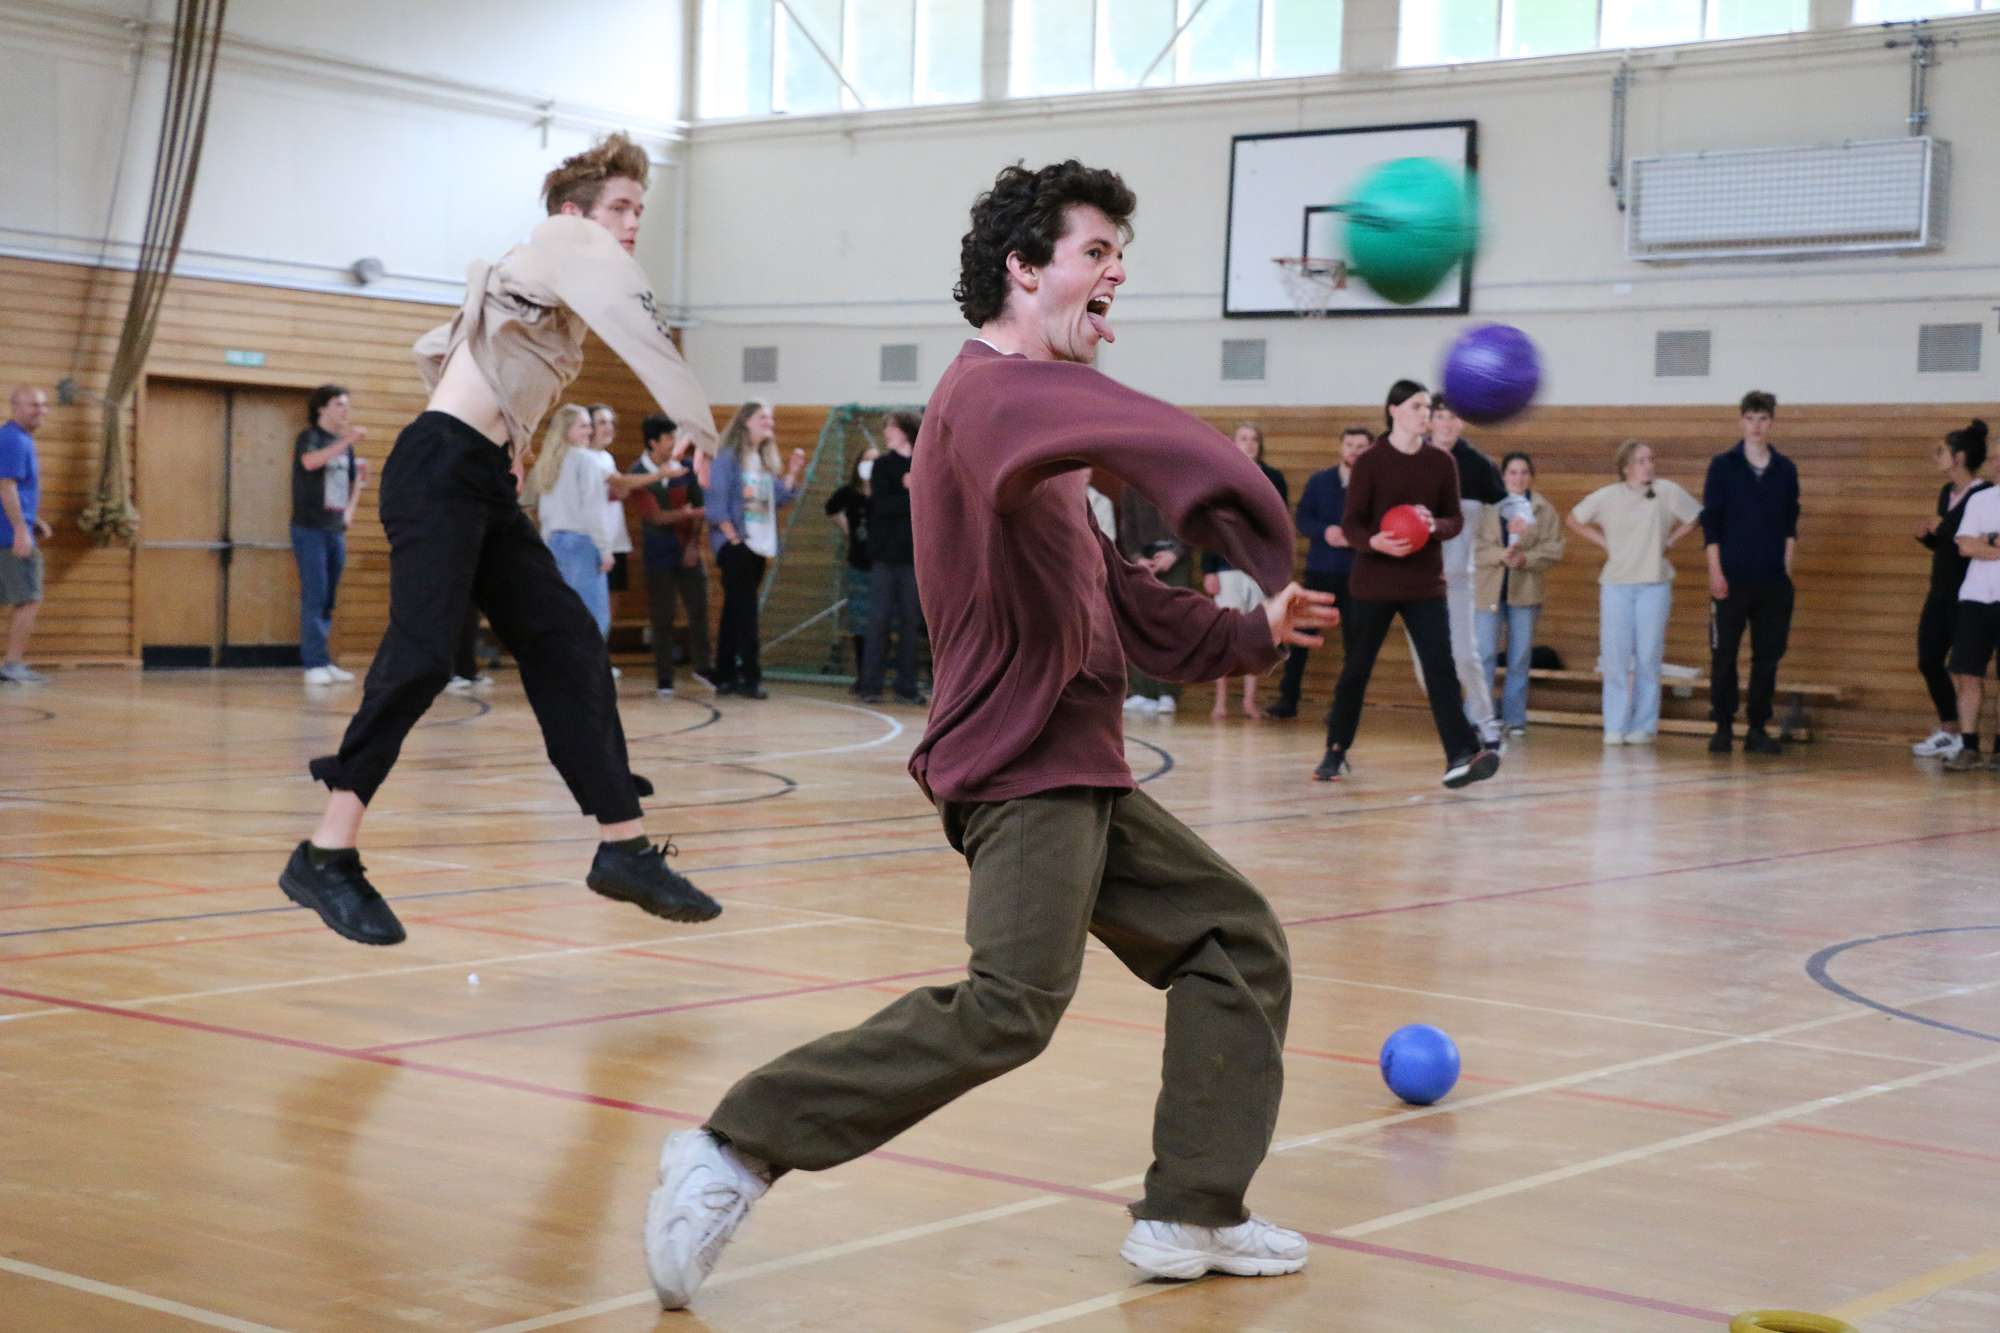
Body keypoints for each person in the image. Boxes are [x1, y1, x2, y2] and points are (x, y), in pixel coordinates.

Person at [641, 159, 1337, 1312]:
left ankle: (1191, 1206)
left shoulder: (1043, 438)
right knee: (1011, 1003)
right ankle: (730, 1146)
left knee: (1232, 941)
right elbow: (1135, 432)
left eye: (1120, 254)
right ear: (1021, 268)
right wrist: (1247, 511)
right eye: (1094, 252)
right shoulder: (989, 399)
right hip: (1020, 765)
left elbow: (1124, 599)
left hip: (1080, 764)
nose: (1116, 273)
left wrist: (1249, 629)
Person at [279, 132, 723, 948]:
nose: (632, 224)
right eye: (621, 207)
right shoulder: (563, 240)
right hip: (439, 468)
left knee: (570, 644)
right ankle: (325, 853)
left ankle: (622, 848)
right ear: (575, 213)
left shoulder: (545, 287)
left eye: (640, 211)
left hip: (475, 475)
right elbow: (639, 324)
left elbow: (456, 356)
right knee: (421, 655)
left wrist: (508, 446)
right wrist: (695, 414)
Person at [1314, 381, 1500, 789]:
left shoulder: (1441, 463)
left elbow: (1454, 520)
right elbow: (1352, 525)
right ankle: (1336, 749)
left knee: (1441, 670)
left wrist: (1434, 526)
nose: (1425, 414)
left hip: (1424, 585)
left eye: (1428, 408)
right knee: (1356, 671)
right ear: (1394, 410)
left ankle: (1460, 755)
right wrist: (1374, 542)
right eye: (1417, 406)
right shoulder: (1369, 462)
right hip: (1373, 584)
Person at [1565, 440, 1703, 745]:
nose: (1648, 466)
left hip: (1654, 584)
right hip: (1617, 584)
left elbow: (1696, 516)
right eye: (1641, 461)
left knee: (1648, 655)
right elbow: (1573, 519)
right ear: (1626, 467)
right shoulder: (1608, 496)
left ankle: (1644, 725)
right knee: (1615, 656)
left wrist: (1670, 541)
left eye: (1651, 459)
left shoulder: (1666, 491)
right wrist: (1604, 543)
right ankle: (1615, 725)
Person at [1703, 390, 1801, 755]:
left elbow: (1790, 525)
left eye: (1763, 419)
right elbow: (1711, 525)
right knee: (1724, 655)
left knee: (1767, 657)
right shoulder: (1722, 466)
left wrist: (1785, 572)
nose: (1757, 426)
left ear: (1771, 422)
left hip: (1772, 580)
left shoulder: (1785, 469)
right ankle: (1723, 725)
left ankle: (1757, 727)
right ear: (1741, 421)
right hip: (1731, 577)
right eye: (1750, 419)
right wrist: (1715, 572)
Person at [707, 400, 808, 700]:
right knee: (747, 611)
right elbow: (716, 501)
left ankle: (724, 675)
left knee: (734, 611)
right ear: (746, 421)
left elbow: (780, 497)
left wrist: (792, 471)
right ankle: (750, 677)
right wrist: (733, 539)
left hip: (760, 545)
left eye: (771, 418)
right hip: (737, 544)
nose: (769, 423)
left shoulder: (763, 461)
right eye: (763, 417)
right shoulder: (727, 457)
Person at [1269, 425, 1370, 720]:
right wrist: (1325, 531)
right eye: (1349, 444)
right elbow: (1303, 518)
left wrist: (1355, 536)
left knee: (1355, 645)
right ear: (1341, 447)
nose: (1353, 451)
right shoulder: (1319, 481)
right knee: (1300, 636)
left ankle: (1343, 708)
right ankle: (1288, 700)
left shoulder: (1374, 485)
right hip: (1320, 571)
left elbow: (1379, 525)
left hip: (1358, 575)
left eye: (1360, 446)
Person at [1426, 398, 1507, 749]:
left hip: (1458, 580)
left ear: (1461, 422)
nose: (1446, 423)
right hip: (1417, 583)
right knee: (1427, 667)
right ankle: (1458, 729)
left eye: (1453, 417)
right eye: (1440, 416)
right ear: (1429, 421)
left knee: (1465, 657)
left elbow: (1508, 502)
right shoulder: (1411, 460)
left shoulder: (1477, 465)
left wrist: (1521, 517)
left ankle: (1487, 725)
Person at [1913, 419, 1991, 761]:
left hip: (1969, 594)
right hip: (1940, 590)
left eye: (1942, 451)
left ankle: (1966, 737)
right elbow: (1948, 542)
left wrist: (1942, 527)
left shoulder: (1983, 494)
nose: (1937, 457)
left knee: (1964, 668)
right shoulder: (1947, 492)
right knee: (1928, 659)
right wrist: (1928, 537)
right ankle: (1950, 727)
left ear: (1958, 457)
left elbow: (1969, 541)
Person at [1473, 452, 1563, 737]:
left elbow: (1554, 548)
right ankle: (1478, 717)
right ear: (1502, 476)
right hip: (1488, 590)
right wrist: (1500, 555)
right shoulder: (1485, 506)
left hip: (1525, 592)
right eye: (1512, 472)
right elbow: (1472, 545)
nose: (1518, 478)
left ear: (1531, 476)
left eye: (1524, 472)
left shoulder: (1543, 509)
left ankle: (1514, 718)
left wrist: (1526, 559)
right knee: (1484, 655)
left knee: (1520, 657)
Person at [1202, 423, 1288, 719]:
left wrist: (1276, 571)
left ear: (1260, 445)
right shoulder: (1219, 476)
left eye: (1254, 439)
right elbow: (1211, 527)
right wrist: (1209, 569)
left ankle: (1250, 701)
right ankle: (1220, 702)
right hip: (1226, 567)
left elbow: (1279, 528)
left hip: (1260, 569)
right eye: (1243, 438)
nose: (1249, 444)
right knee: (1224, 635)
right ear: (1233, 442)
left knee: (1257, 635)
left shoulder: (1274, 478)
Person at [632, 412, 713, 698]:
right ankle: (664, 677)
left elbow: (699, 507)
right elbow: (654, 517)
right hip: (658, 555)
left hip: (687, 549)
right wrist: (685, 513)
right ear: (653, 442)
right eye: (669, 438)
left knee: (699, 610)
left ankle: (703, 668)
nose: (674, 442)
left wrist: (693, 544)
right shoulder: (637, 473)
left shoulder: (687, 468)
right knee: (662, 617)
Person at [291, 384, 366, 686]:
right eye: (339, 404)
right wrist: (347, 439)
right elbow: (310, 462)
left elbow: (354, 482)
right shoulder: (309, 437)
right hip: (310, 528)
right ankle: (314, 663)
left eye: (347, 404)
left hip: (336, 528)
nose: (345, 410)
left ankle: (324, 659)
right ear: (322, 408)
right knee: (316, 594)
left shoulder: (344, 445)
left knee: (329, 597)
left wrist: (350, 511)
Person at [526, 404, 621, 639]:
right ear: (566, 429)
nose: (590, 431)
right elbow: (594, 508)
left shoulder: (548, 462)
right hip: (582, 544)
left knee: (561, 613)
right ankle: (590, 662)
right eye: (583, 426)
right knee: (594, 617)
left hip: (554, 542)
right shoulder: (586, 459)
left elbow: (542, 510)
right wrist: (605, 549)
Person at [858, 410, 926, 705]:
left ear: (906, 430)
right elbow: (882, 506)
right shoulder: (883, 465)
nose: (887, 432)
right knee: (879, 620)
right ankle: (870, 685)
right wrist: (912, 491)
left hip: (914, 557)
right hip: (885, 556)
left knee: (910, 622)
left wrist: (918, 486)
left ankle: (906, 686)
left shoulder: (924, 464)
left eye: (892, 427)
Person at [1114, 482, 1187, 716]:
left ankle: (1167, 692)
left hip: (1175, 562)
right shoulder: (1131, 485)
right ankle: (1141, 691)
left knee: (1171, 626)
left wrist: (1175, 553)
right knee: (1141, 624)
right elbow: (1127, 526)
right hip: (1143, 563)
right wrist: (1137, 558)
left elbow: (1192, 524)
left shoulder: (1183, 480)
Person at [0, 386, 54, 686]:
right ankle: (13, 665)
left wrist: (33, 521)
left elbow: (15, 490)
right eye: (34, 405)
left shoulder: (15, 438)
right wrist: (21, 529)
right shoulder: (14, 440)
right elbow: (6, 486)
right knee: (29, 599)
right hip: (10, 537)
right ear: (16, 406)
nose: (41, 411)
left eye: (44, 405)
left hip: (9, 531)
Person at [823, 445, 877, 689]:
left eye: (875, 460)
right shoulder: (849, 492)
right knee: (859, 622)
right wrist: (847, 528)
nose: (870, 465)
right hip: (858, 563)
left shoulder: (885, 492)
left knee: (880, 622)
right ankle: (863, 675)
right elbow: (831, 508)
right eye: (866, 460)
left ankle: (875, 675)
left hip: (883, 565)